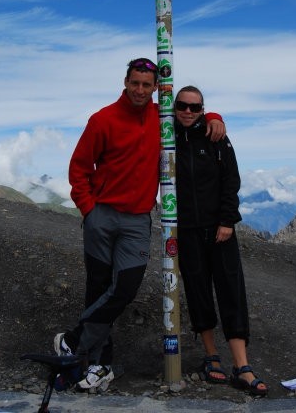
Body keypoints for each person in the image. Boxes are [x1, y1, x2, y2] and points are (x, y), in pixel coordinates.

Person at [54, 58, 226, 391]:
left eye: (147, 85)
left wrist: (215, 117)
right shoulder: (102, 119)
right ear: (126, 82)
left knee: (125, 287)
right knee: (98, 287)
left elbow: (191, 115)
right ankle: (101, 365)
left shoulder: (161, 119)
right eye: (135, 83)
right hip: (101, 216)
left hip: (136, 220)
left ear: (154, 89)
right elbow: (79, 167)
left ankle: (74, 340)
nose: (140, 90)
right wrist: (89, 210)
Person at [174, 85, 268, 397]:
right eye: (182, 106)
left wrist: (228, 220)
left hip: (219, 229)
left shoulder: (216, 137)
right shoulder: (166, 135)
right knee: (197, 289)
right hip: (186, 230)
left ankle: (242, 366)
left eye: (196, 107)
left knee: (231, 289)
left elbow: (231, 178)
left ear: (203, 109)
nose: (188, 112)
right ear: (173, 107)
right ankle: (211, 356)